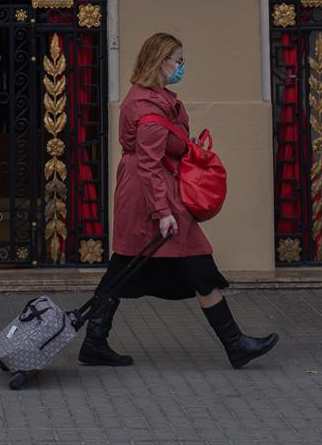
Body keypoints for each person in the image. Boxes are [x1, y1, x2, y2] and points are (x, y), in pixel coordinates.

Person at [79, 31, 279, 370]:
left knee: (125, 268)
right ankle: (235, 344)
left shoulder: (156, 99)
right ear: (161, 62)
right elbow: (149, 164)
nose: (182, 66)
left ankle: (94, 341)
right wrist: (163, 212)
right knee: (194, 260)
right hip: (151, 196)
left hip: (147, 192)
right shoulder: (147, 106)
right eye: (179, 60)